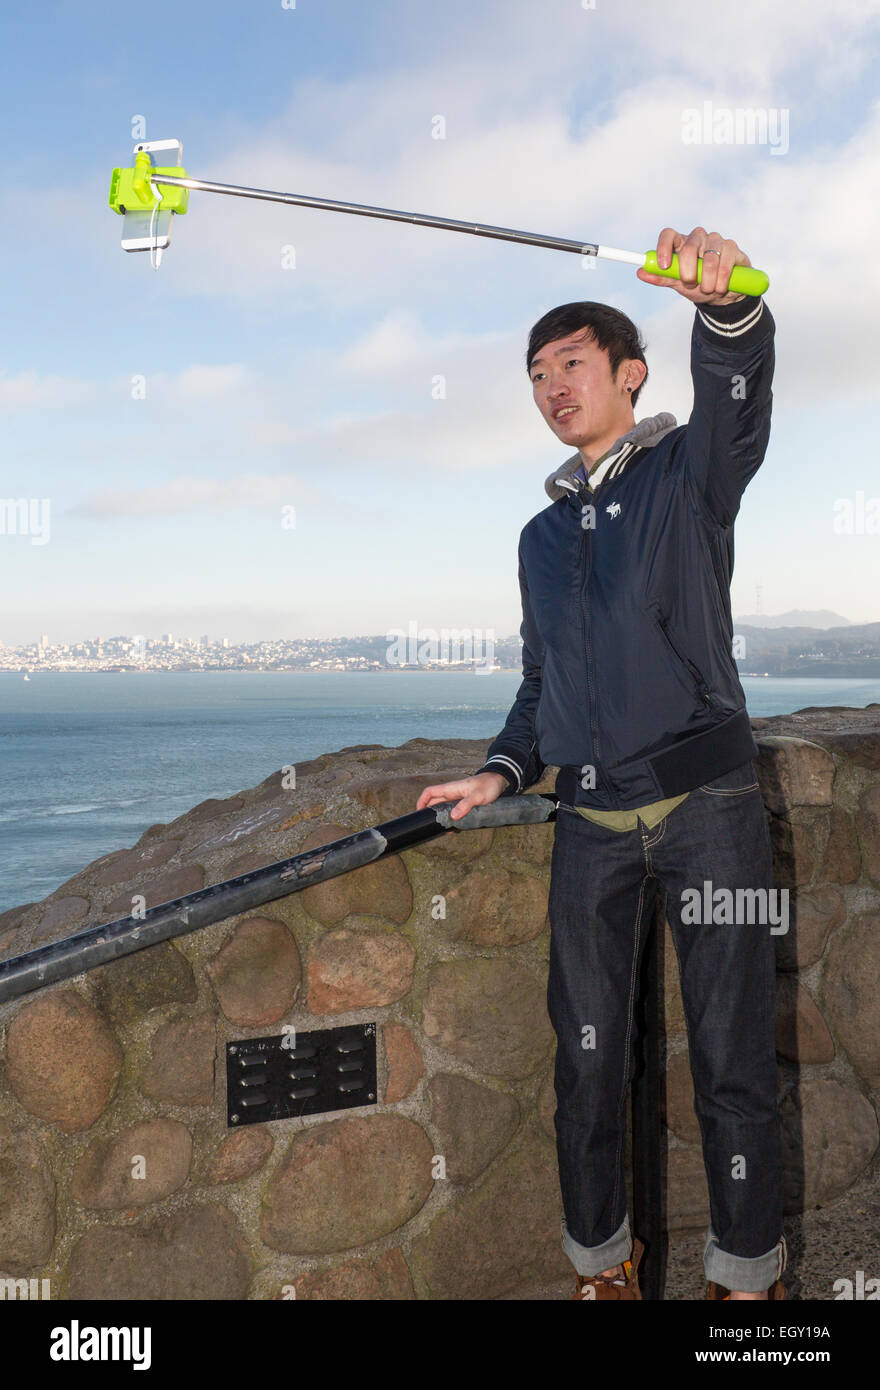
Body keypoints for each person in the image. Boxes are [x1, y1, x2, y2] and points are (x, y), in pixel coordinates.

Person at [416, 226, 787, 1302]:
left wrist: (725, 314)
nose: (549, 387)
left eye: (570, 364)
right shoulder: (539, 536)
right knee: (584, 1065)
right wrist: (498, 769)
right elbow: (542, 686)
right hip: (586, 825)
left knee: (729, 1060)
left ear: (629, 372)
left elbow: (740, 397)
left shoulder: (688, 472)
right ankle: (601, 1269)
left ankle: (747, 1280)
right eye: (535, 375)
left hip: (706, 806)